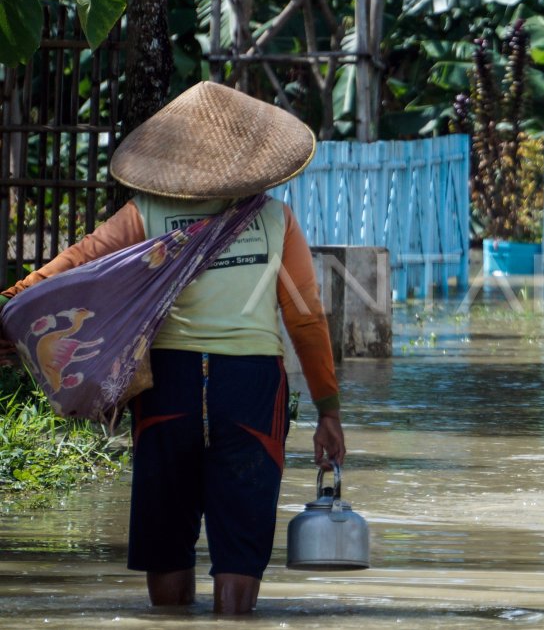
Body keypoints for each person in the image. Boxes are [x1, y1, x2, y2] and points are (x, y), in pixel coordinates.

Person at [0, 82, 345, 614]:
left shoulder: (146, 214)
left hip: (168, 389)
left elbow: (73, 264)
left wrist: (11, 303)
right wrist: (328, 410)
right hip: (250, 391)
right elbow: (307, 321)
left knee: (166, 547)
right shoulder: (276, 220)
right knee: (240, 552)